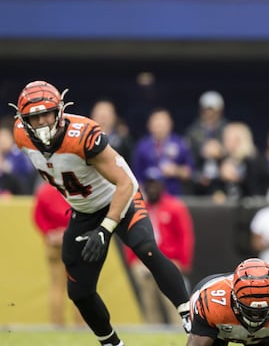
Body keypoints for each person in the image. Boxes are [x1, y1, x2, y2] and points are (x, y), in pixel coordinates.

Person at [10, 81, 191, 346]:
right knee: (79, 291)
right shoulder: (21, 136)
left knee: (146, 248)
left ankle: (189, 315)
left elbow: (125, 183)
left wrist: (105, 229)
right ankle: (111, 343)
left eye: (46, 114)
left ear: (59, 111)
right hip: (83, 210)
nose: (41, 122)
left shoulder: (82, 136)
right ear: (23, 120)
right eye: (33, 118)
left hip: (120, 198)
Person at [186, 258, 269, 346]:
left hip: (264, 335)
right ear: (234, 298)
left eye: (263, 311)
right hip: (218, 329)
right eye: (251, 310)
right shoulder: (211, 303)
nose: (256, 317)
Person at [124, 172, 195, 326]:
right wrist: (133, 261)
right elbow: (129, 234)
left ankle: (180, 330)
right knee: (148, 301)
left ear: (162, 185)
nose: (152, 188)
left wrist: (183, 262)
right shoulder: (140, 208)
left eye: (155, 184)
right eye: (149, 185)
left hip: (169, 259)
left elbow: (185, 236)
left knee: (173, 301)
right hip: (144, 262)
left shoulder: (175, 207)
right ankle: (152, 331)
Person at [32, 183, 82, 326]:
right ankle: (81, 325)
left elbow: (37, 216)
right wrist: (67, 232)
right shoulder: (75, 188)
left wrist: (49, 232)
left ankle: (57, 324)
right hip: (75, 241)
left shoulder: (44, 190)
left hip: (54, 243)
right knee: (80, 285)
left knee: (56, 286)